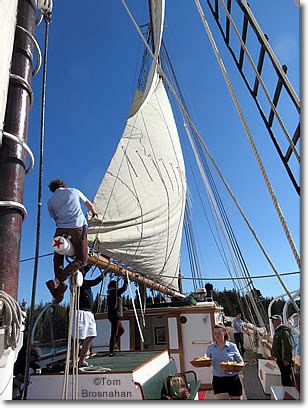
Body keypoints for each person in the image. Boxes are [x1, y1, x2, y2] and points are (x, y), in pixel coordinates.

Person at [45, 179, 97, 303]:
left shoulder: (50, 202)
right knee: (82, 260)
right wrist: (94, 212)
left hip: (60, 229)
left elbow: (55, 217)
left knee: (58, 257)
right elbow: (89, 204)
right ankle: (56, 282)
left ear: (53, 190)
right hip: (77, 227)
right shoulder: (74, 191)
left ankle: (58, 287)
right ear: (63, 185)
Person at [72, 266, 104, 367]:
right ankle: (73, 362)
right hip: (80, 312)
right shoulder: (77, 281)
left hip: (89, 313)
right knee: (78, 338)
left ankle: (82, 360)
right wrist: (101, 276)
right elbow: (93, 281)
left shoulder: (84, 282)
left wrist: (92, 263)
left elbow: (85, 272)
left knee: (91, 335)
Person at [206, 324, 243, 400]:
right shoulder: (210, 347)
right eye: (215, 333)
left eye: (219, 333)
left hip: (233, 379)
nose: (217, 335)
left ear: (224, 333)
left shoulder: (232, 346)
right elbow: (207, 361)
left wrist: (234, 367)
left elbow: (241, 362)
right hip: (218, 380)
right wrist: (207, 363)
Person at [270, 314, 294, 387]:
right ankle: (285, 393)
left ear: (279, 321)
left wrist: (286, 359)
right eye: (272, 320)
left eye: (274, 320)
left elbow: (288, 345)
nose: (272, 322)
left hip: (284, 361)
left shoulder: (283, 331)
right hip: (279, 359)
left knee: (286, 379)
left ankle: (288, 395)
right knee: (283, 378)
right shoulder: (278, 331)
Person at [107, 278, 128, 356]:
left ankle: (113, 346)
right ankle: (111, 351)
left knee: (121, 330)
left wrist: (122, 309)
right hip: (115, 316)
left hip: (114, 315)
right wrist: (126, 279)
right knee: (114, 333)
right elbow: (124, 288)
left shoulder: (112, 293)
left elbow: (114, 305)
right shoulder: (115, 292)